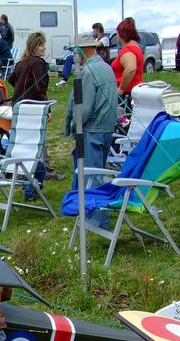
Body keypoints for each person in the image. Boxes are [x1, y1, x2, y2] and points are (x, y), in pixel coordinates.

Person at [64, 32, 118, 229]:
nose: (73, 57)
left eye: (74, 53)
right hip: (107, 130)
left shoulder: (88, 72)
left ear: (82, 51)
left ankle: (97, 222)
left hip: (92, 130)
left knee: (92, 178)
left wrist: (72, 126)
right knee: (94, 173)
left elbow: (84, 107)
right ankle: (78, 208)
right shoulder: (106, 67)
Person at [8, 31, 64, 200]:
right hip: (33, 109)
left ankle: (36, 181)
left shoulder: (21, 63)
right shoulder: (38, 64)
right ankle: (30, 189)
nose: (44, 47)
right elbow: (41, 89)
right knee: (33, 148)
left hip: (19, 108)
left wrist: (21, 90)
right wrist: (47, 110)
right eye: (41, 45)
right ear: (34, 46)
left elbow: (11, 80)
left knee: (26, 146)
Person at [110, 17, 144, 111]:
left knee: (124, 122)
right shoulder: (136, 48)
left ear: (122, 34)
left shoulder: (127, 50)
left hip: (127, 96)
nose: (117, 36)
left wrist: (121, 88)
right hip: (134, 92)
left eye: (117, 33)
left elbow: (131, 69)